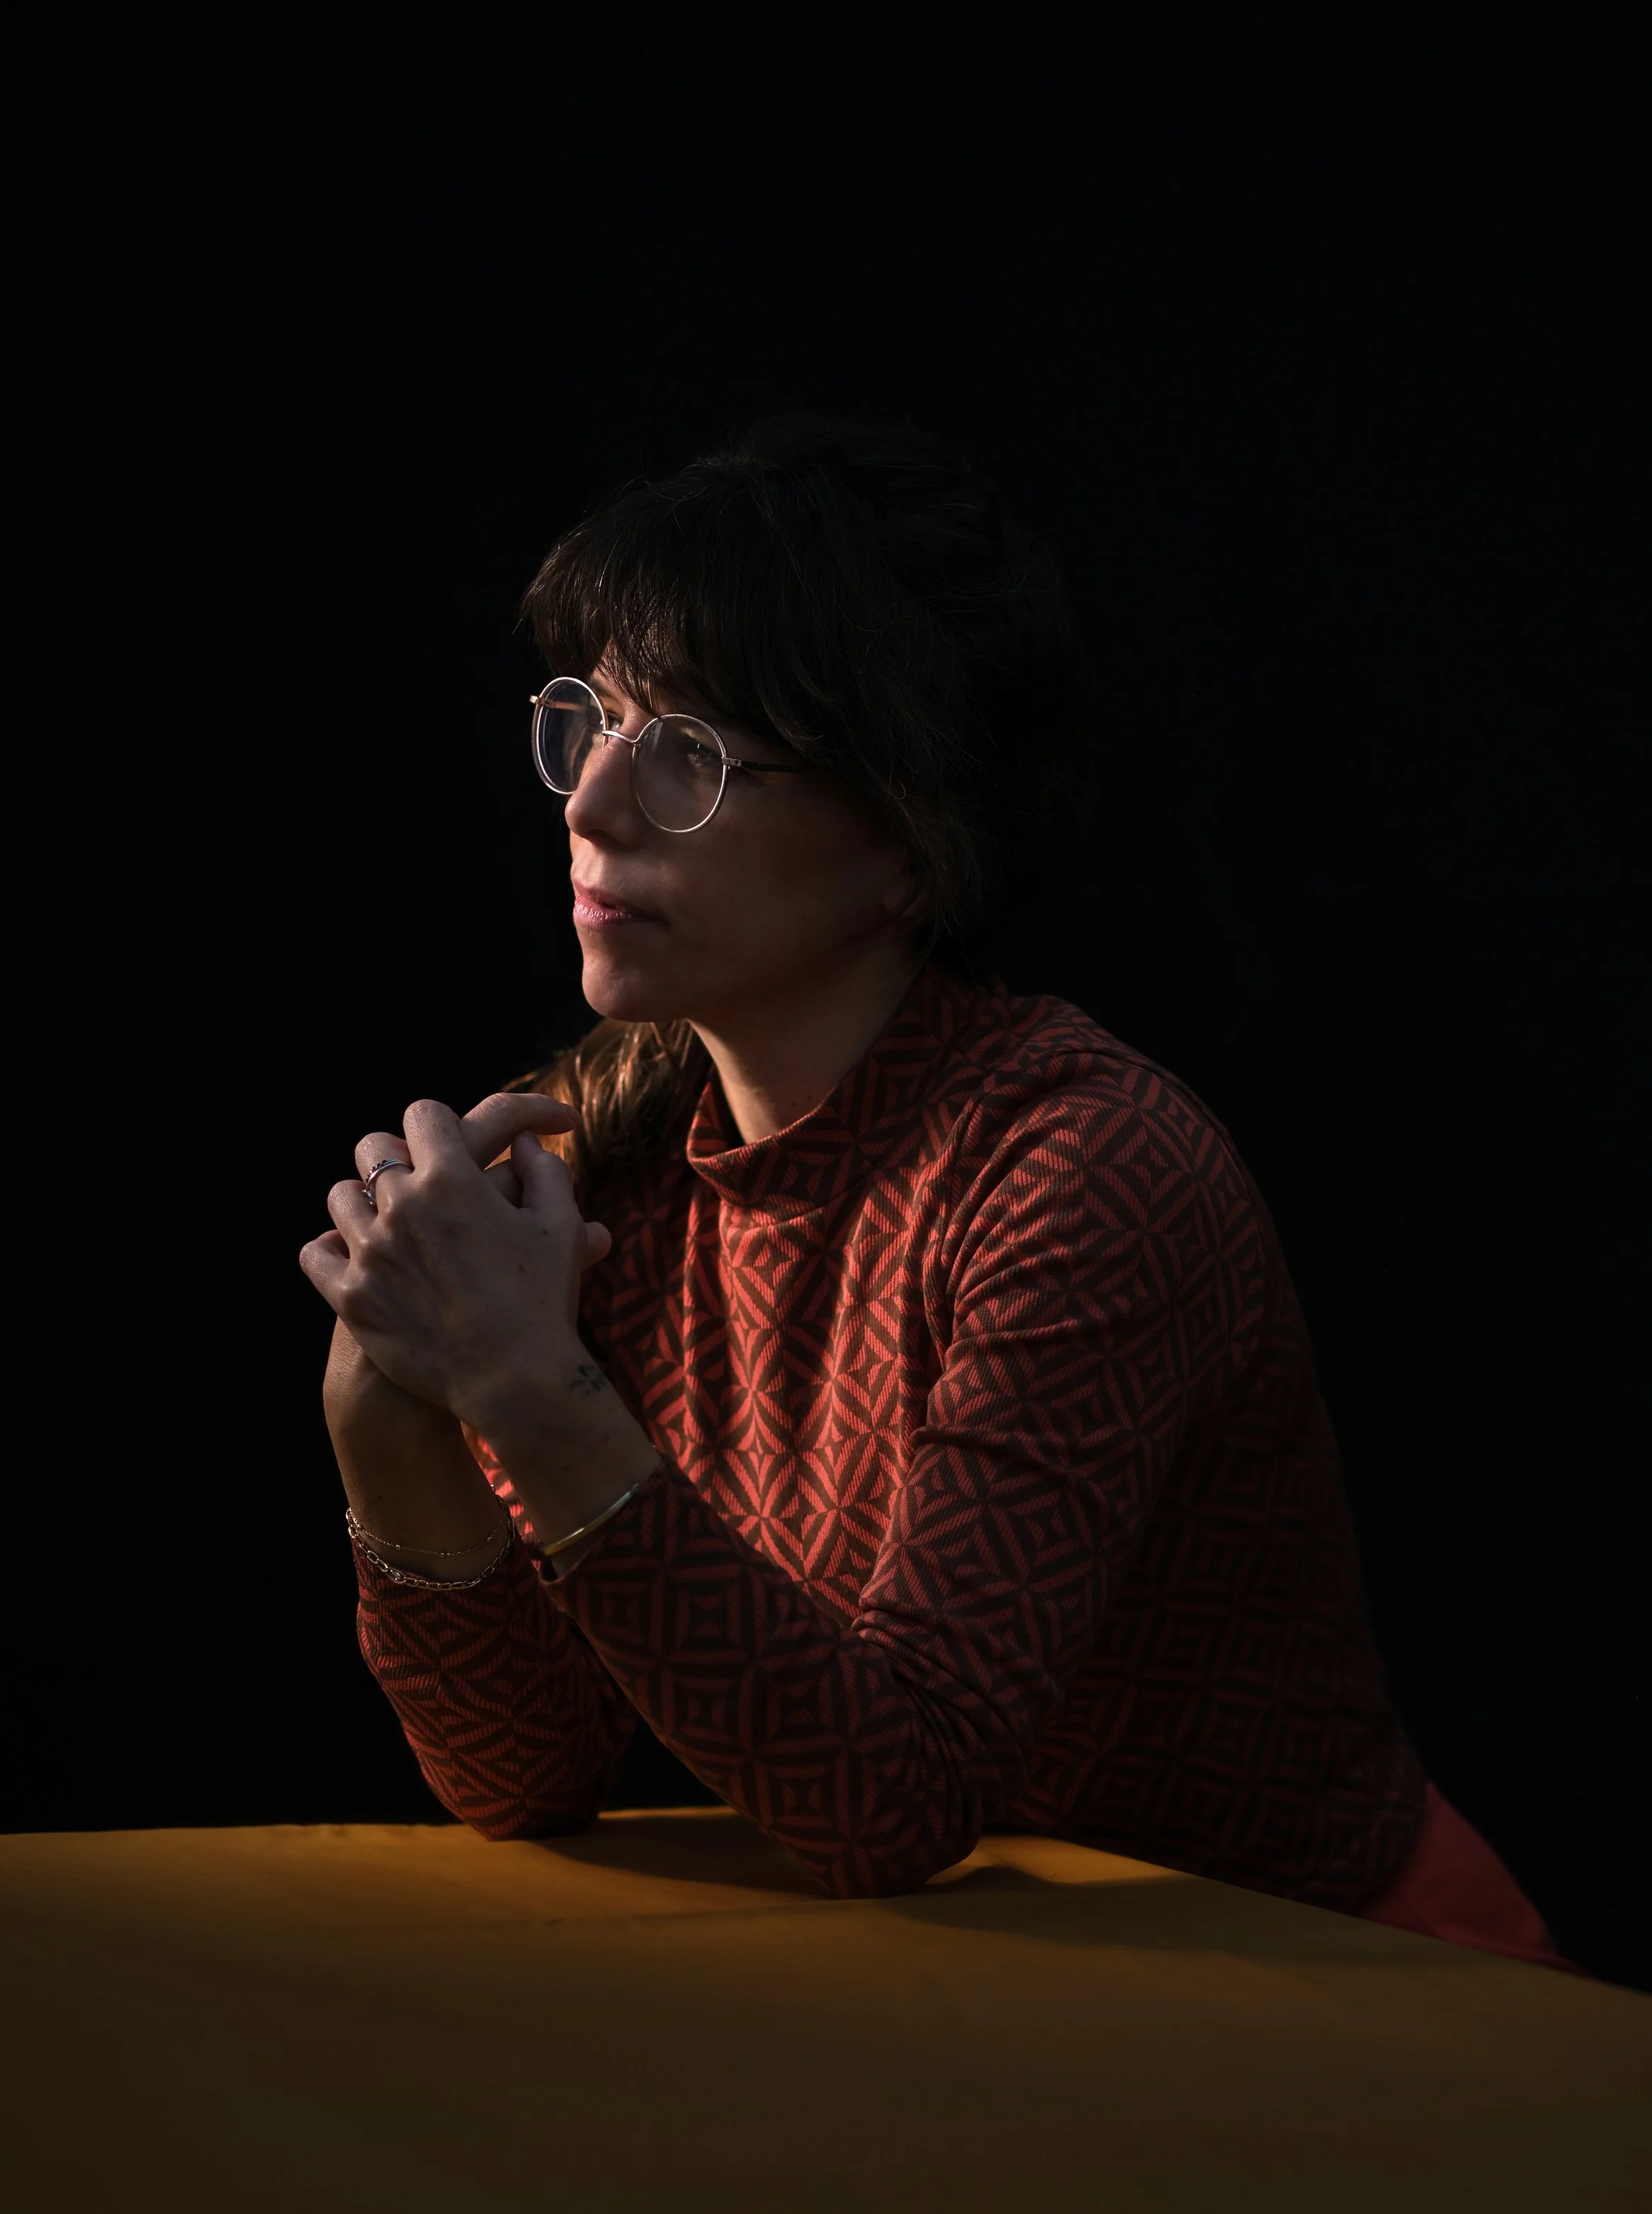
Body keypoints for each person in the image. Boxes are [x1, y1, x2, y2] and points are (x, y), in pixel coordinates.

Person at [301, 415, 1564, 1965]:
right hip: (981, 2003)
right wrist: (384, 1416)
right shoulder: (602, 1163)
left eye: (690, 752)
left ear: (909, 843)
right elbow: (526, 1775)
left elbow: (889, 1796)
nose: (591, 804)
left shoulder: (1079, 1167)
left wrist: (520, 1383)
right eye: (596, 721)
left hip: (1337, 1990)